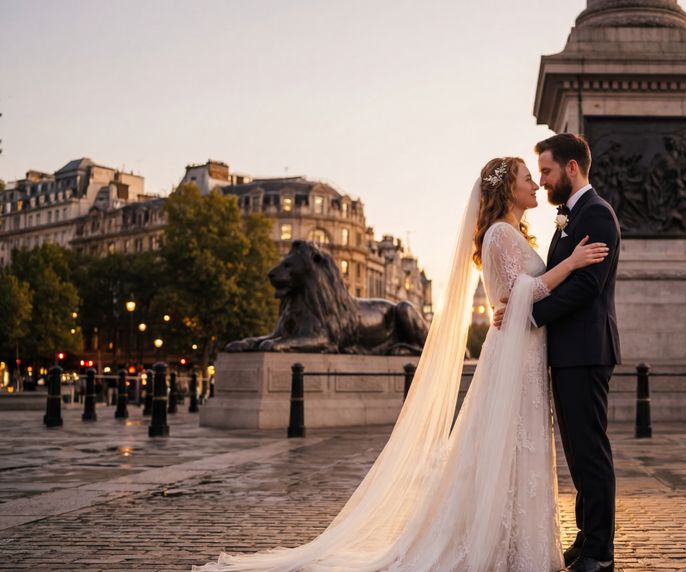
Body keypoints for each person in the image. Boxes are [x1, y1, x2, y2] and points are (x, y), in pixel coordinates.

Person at [193, 153, 608, 572]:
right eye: (527, 177)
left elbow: (515, 294)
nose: (536, 184)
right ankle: (502, 544)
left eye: (538, 176)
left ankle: (518, 541)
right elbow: (521, 291)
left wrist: (531, 292)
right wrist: (571, 264)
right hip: (516, 353)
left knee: (518, 445)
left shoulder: (512, 232)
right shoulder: (499, 233)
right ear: (507, 188)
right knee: (509, 443)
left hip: (525, 350)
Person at [494, 133, 621, 572]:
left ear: (571, 168)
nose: (543, 180)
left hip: (586, 350)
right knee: (578, 454)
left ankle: (600, 552)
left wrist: (528, 314)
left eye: (546, 171)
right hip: (568, 352)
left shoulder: (596, 214)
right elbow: (556, 278)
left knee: (591, 451)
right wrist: (521, 307)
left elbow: (587, 286)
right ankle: (586, 538)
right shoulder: (572, 216)